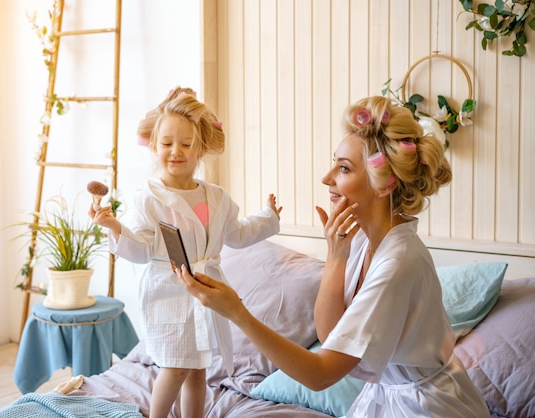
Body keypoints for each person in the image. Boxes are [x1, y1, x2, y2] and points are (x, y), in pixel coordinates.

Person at [178, 96, 490, 417]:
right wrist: (336, 256)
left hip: (426, 408)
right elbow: (330, 336)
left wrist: (237, 312)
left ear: (382, 186)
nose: (327, 179)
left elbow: (321, 373)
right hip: (389, 396)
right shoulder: (362, 242)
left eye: (343, 168)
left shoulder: (399, 262)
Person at [89, 87, 282, 418]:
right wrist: (114, 227)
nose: (175, 151)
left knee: (198, 369)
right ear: (154, 145)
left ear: (201, 148)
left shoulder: (217, 197)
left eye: (186, 144)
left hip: (205, 290)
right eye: (166, 143)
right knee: (175, 366)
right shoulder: (147, 197)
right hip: (168, 290)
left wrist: (269, 218)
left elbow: (238, 234)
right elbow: (141, 249)